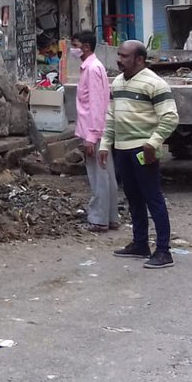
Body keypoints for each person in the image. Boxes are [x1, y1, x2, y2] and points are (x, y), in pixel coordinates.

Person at [98, 40, 179, 269]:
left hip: (143, 150)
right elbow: (111, 116)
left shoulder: (155, 83)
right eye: (119, 55)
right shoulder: (118, 82)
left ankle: (163, 251)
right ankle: (140, 243)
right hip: (122, 150)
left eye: (124, 56)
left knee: (153, 198)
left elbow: (170, 117)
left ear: (140, 59)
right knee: (133, 198)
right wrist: (105, 144)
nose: (119, 60)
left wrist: (153, 143)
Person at [71, 30, 119, 232]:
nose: (73, 49)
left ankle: (99, 219)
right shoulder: (92, 68)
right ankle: (110, 217)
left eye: (75, 45)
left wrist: (91, 137)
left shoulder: (92, 70)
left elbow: (98, 105)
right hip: (96, 130)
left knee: (99, 175)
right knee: (106, 174)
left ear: (86, 47)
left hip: (95, 132)